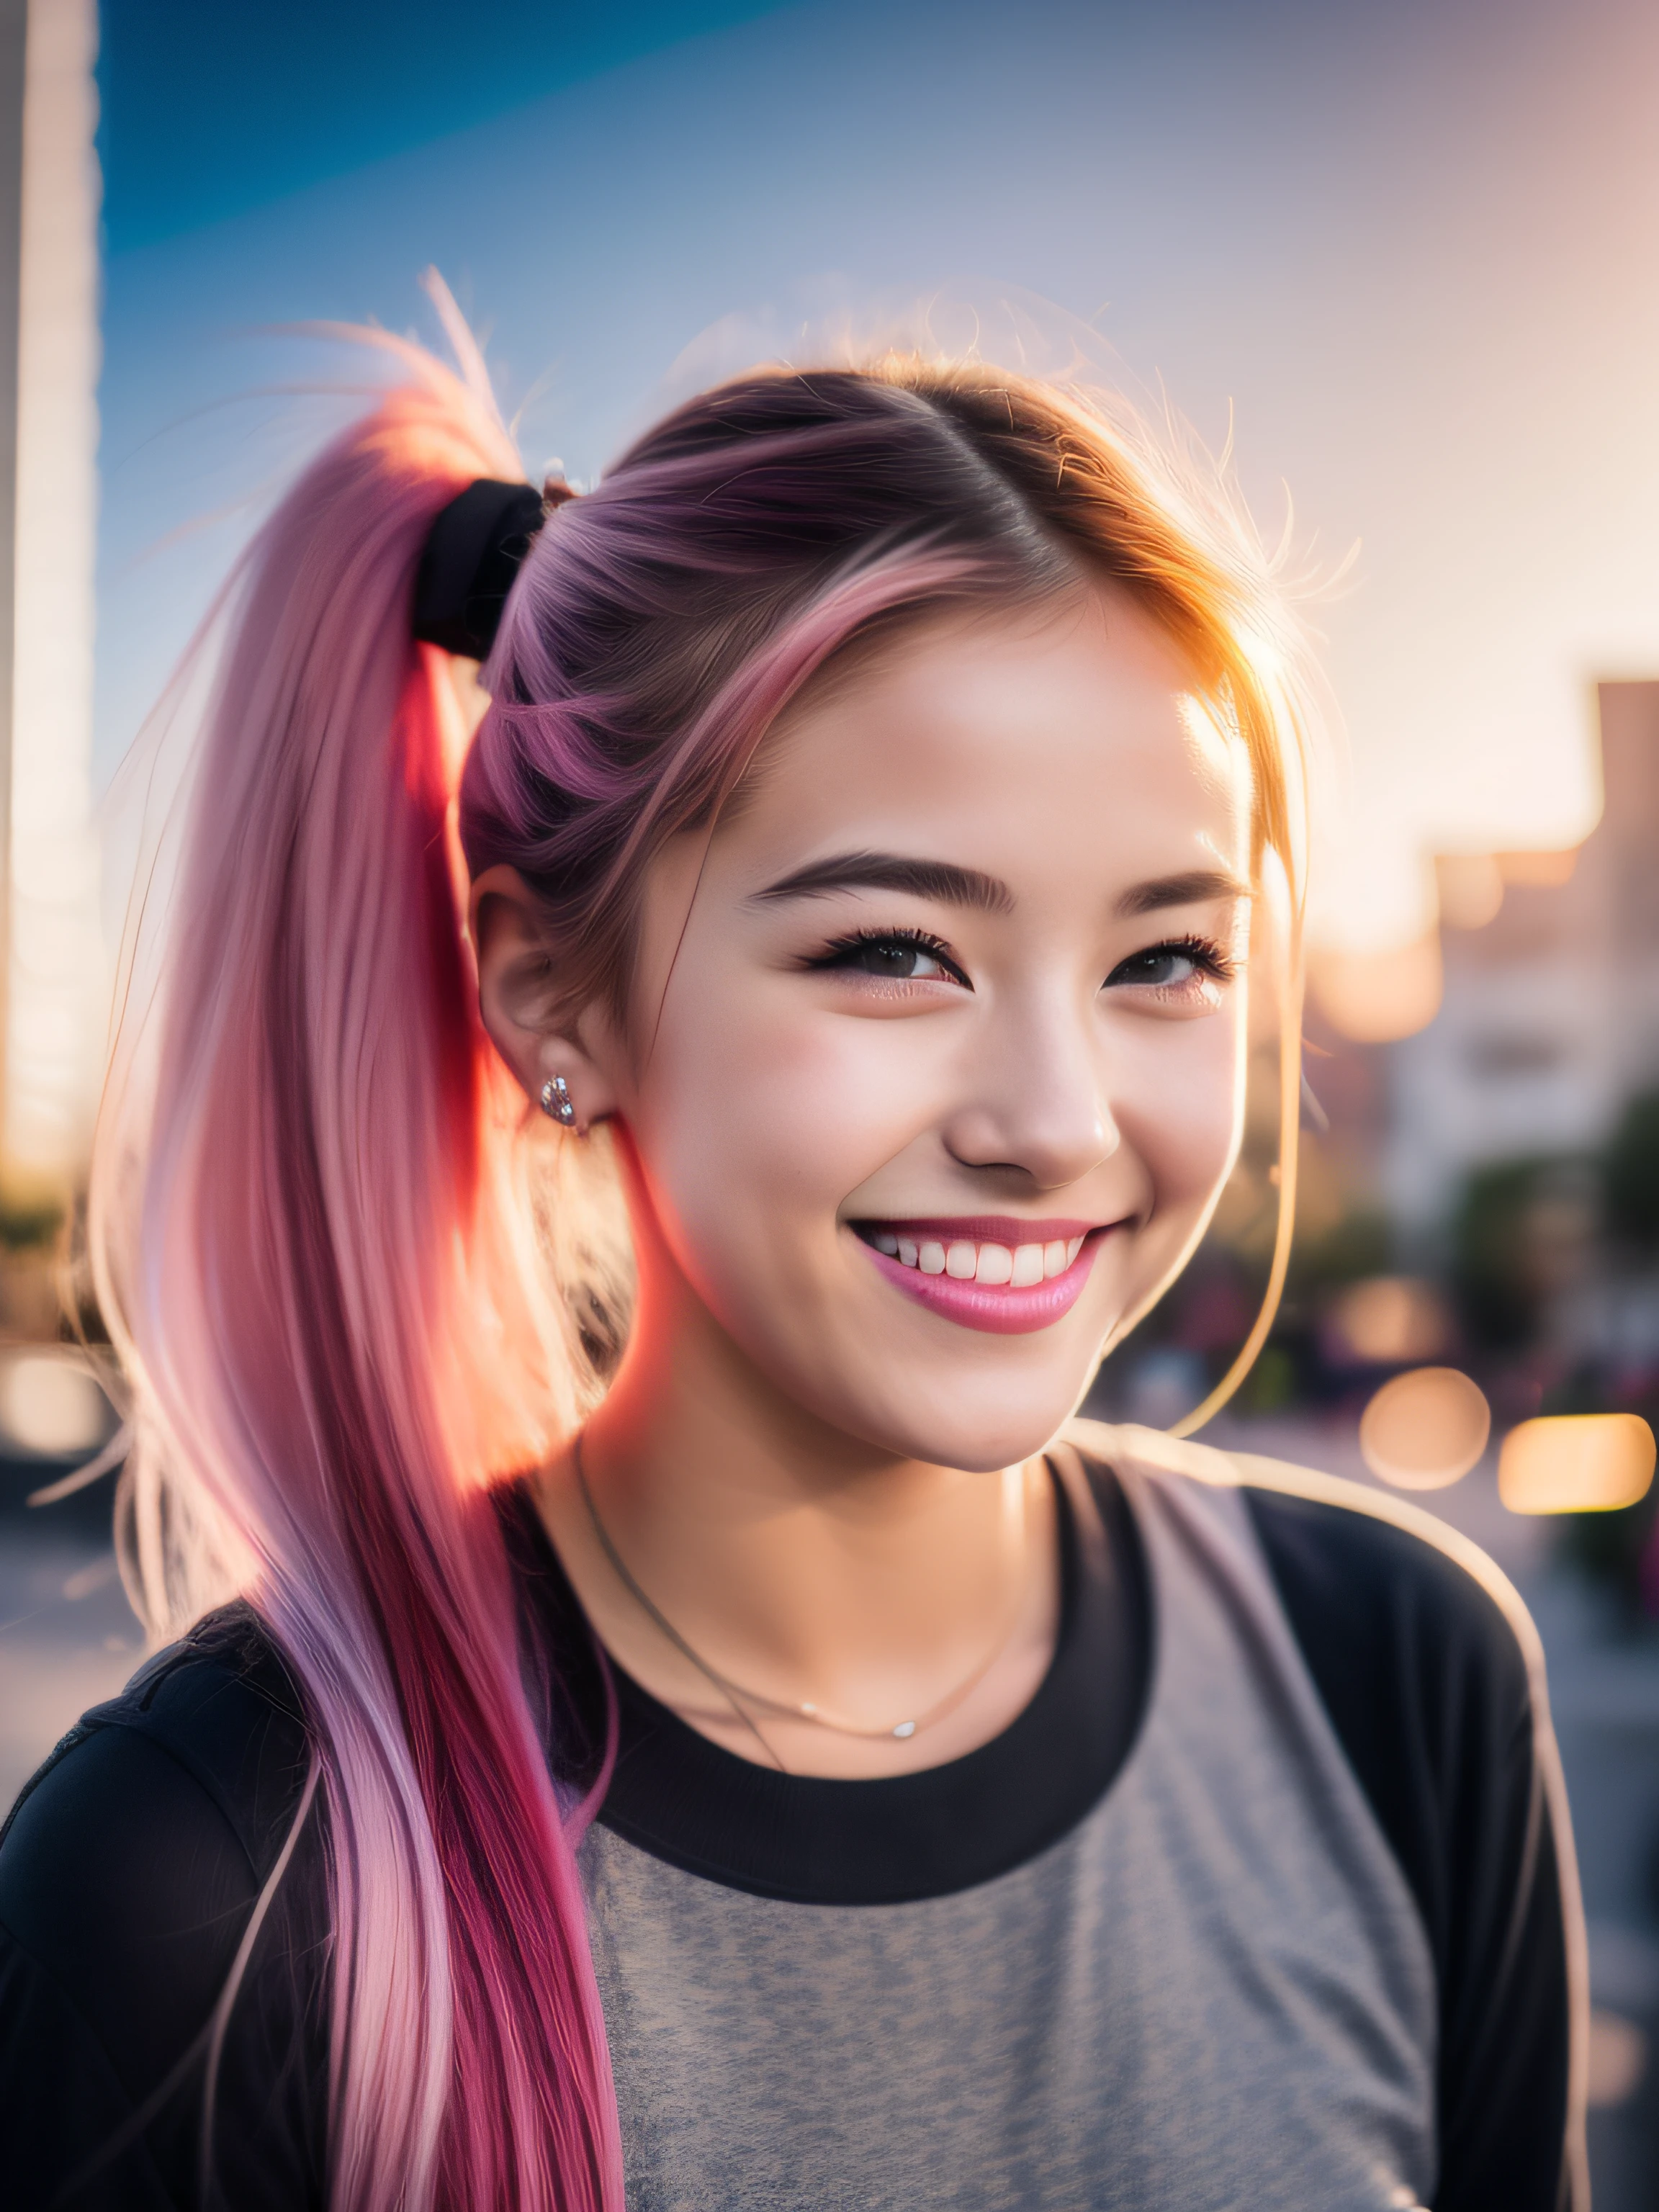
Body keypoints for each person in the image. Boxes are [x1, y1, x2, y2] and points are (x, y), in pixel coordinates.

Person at [0, 318, 1584, 2212]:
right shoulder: (212, 1880)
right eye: (897, 948)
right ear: (542, 989)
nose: (1057, 1120)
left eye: (1167, 957)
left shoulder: (1398, 1680)